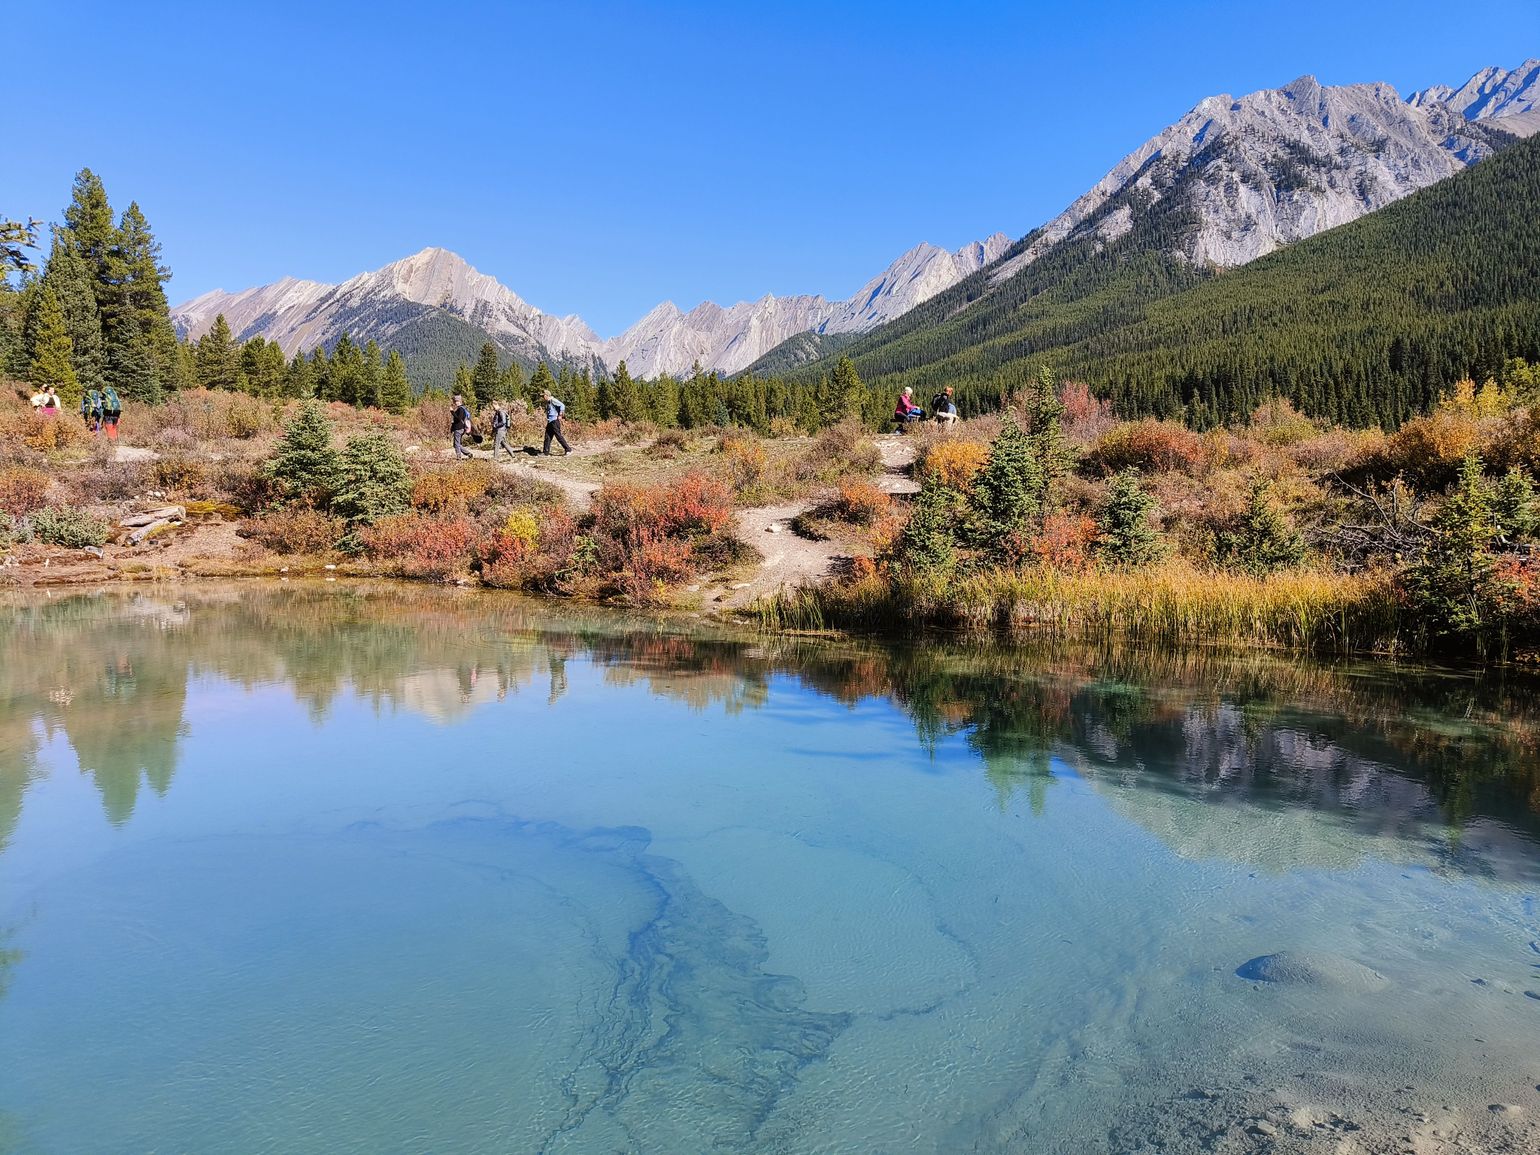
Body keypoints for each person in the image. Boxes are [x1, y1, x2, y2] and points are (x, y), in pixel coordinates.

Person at [541, 390, 571, 456]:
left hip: (554, 421)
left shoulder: (553, 400)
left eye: (543, 396)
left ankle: (568, 449)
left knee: (558, 436)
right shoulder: (548, 402)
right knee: (547, 436)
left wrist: (560, 415)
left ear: (546, 395)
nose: (542, 397)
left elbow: (562, 405)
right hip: (550, 421)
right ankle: (545, 452)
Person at [449, 393, 474, 459]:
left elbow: (458, 419)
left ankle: (459, 457)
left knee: (456, 444)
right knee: (456, 444)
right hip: (461, 428)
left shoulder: (460, 409)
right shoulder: (462, 409)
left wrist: (452, 412)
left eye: (455, 401)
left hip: (459, 428)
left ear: (458, 401)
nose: (454, 403)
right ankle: (468, 453)